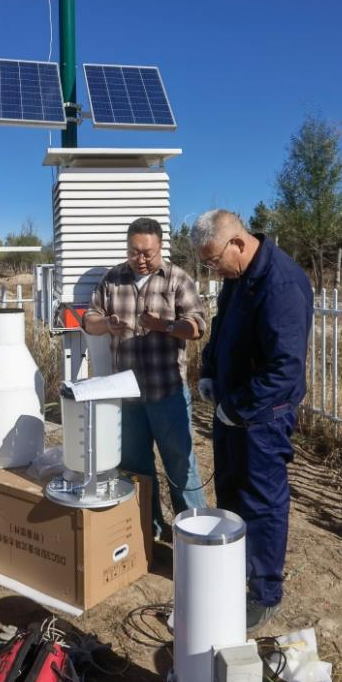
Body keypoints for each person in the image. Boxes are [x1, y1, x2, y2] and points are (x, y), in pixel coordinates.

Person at [191, 209, 313, 632]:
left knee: (262, 502)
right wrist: (209, 369)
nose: (211, 270)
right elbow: (223, 330)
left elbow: (284, 369)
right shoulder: (236, 278)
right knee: (230, 489)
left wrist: (239, 404)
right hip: (232, 408)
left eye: (212, 260)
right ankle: (234, 566)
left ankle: (264, 593)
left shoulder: (280, 284)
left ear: (237, 243)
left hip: (262, 416)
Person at [82, 217, 209, 540]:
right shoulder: (113, 279)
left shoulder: (177, 279)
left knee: (181, 465)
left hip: (167, 392)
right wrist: (105, 324)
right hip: (127, 394)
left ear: (160, 247)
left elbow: (197, 327)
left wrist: (164, 326)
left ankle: (194, 534)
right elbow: (89, 319)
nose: (140, 259)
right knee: (135, 466)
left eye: (147, 253)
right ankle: (147, 532)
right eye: (134, 252)